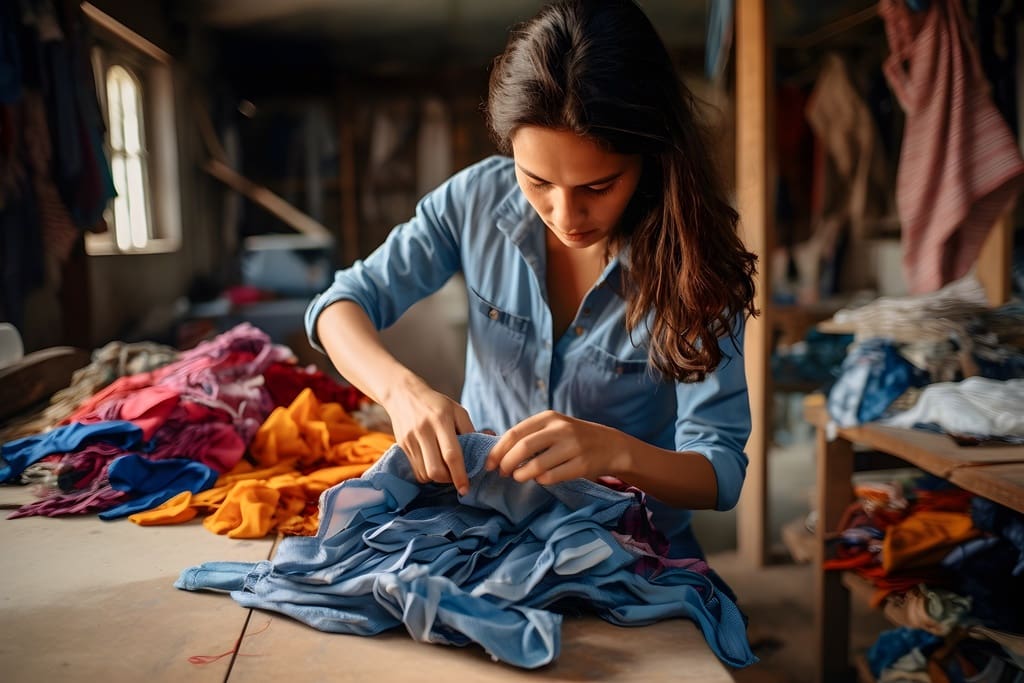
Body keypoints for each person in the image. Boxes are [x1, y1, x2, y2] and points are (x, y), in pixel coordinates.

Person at [305, 0, 758, 559]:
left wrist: (613, 452)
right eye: (537, 179)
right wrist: (403, 393)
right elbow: (339, 305)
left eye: (597, 187)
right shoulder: (474, 201)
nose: (565, 216)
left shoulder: (697, 262)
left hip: (634, 551)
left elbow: (720, 475)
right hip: (479, 533)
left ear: (652, 156)